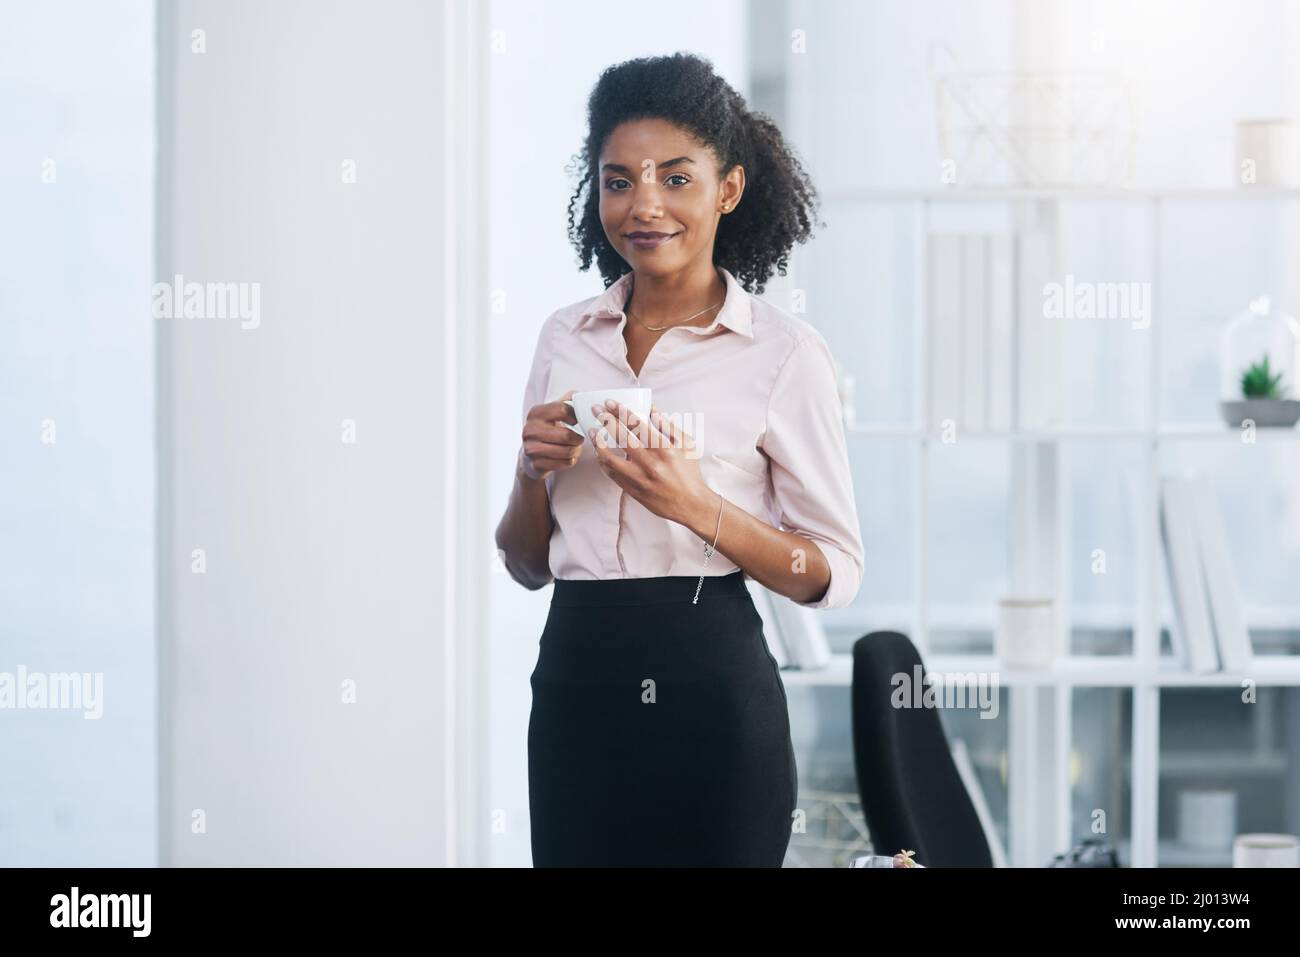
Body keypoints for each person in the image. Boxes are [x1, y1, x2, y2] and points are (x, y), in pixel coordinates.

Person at [494, 52, 864, 867]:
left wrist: (699, 507)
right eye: (619, 180)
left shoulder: (783, 353)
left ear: (727, 189)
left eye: (675, 178)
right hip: (575, 691)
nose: (644, 205)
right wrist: (531, 475)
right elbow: (525, 564)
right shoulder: (565, 337)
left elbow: (830, 570)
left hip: (714, 698)